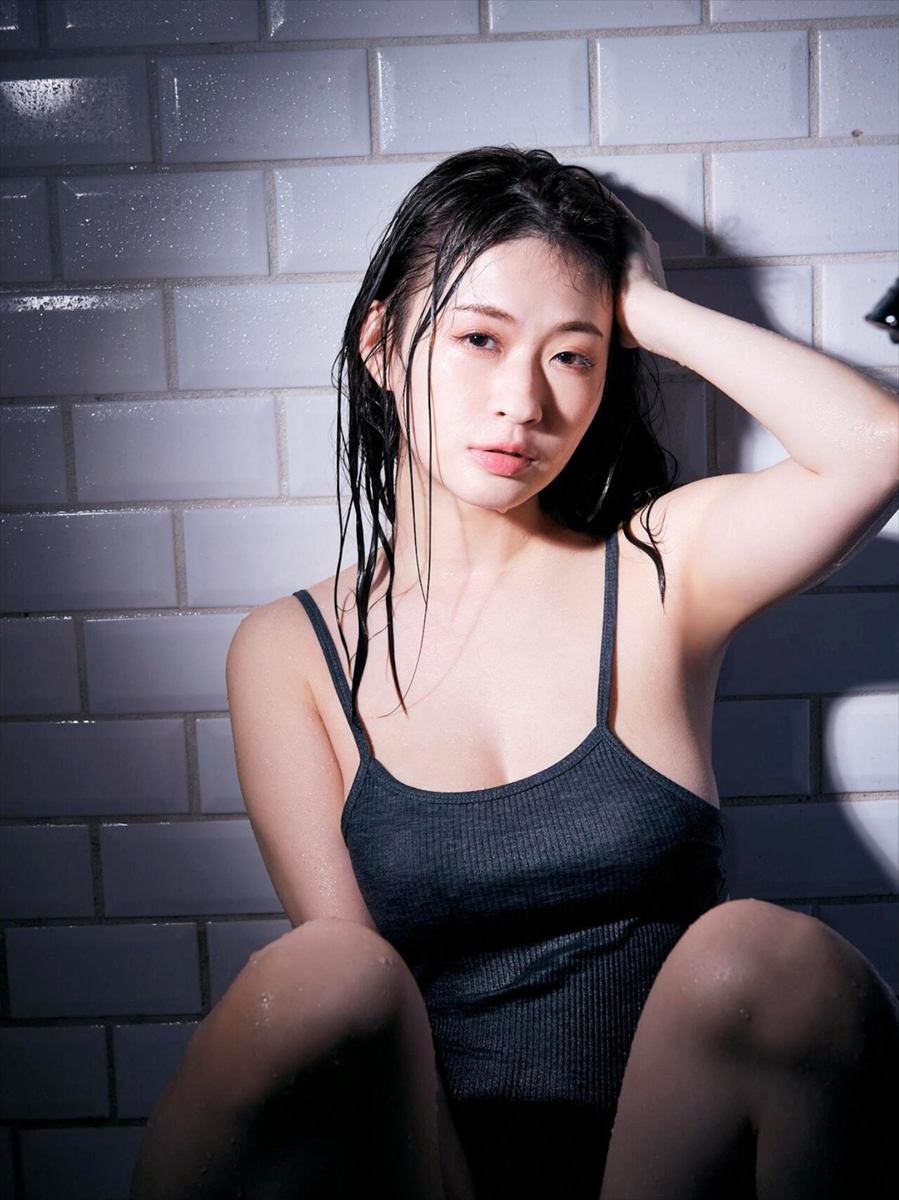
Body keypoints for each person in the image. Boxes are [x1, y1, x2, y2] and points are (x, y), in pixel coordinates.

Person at [130, 147, 899, 1200]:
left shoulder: (659, 570)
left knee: (765, 955)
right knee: (320, 974)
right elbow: (354, 1017)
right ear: (380, 344)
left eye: (572, 356)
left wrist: (644, 305)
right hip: (424, 1170)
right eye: (479, 339)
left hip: (667, 1170)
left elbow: (876, 447)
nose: (522, 401)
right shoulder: (290, 650)